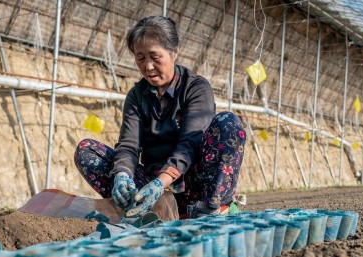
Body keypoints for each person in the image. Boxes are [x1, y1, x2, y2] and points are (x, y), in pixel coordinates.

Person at [74, 16, 246, 219]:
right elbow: (129, 146)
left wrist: (161, 181)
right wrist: (122, 175)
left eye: (155, 57)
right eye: (140, 58)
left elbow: (190, 142)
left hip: (196, 184)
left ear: (174, 52)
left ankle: (210, 209)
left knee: (228, 123)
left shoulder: (196, 88)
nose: (147, 66)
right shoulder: (136, 96)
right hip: (155, 191)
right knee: (87, 151)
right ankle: (149, 209)